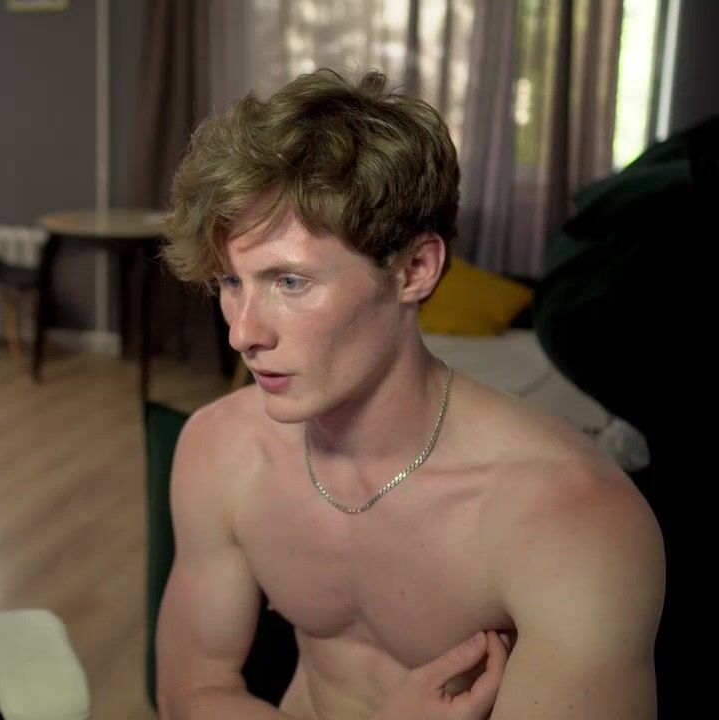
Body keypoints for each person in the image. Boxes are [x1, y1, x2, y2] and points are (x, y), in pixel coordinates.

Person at [153, 68, 665, 720]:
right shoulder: (221, 449)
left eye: (289, 282)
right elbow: (190, 693)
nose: (243, 333)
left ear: (415, 269)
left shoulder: (574, 521)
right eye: (232, 283)